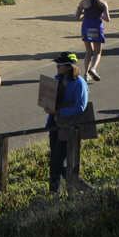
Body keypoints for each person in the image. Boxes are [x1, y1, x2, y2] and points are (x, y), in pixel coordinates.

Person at [43, 52, 90, 193]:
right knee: (54, 162)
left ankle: (84, 187)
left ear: (69, 67)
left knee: (57, 162)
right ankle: (54, 192)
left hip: (69, 127)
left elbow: (80, 107)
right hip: (54, 125)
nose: (57, 66)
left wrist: (58, 112)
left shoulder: (79, 83)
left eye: (61, 64)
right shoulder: (56, 79)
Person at [76, 0, 110, 81]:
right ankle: (93, 68)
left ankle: (86, 74)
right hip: (97, 27)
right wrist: (100, 15)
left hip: (86, 26)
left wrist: (83, 12)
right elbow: (107, 19)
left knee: (88, 52)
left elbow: (77, 16)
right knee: (97, 52)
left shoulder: (83, 2)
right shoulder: (103, 3)